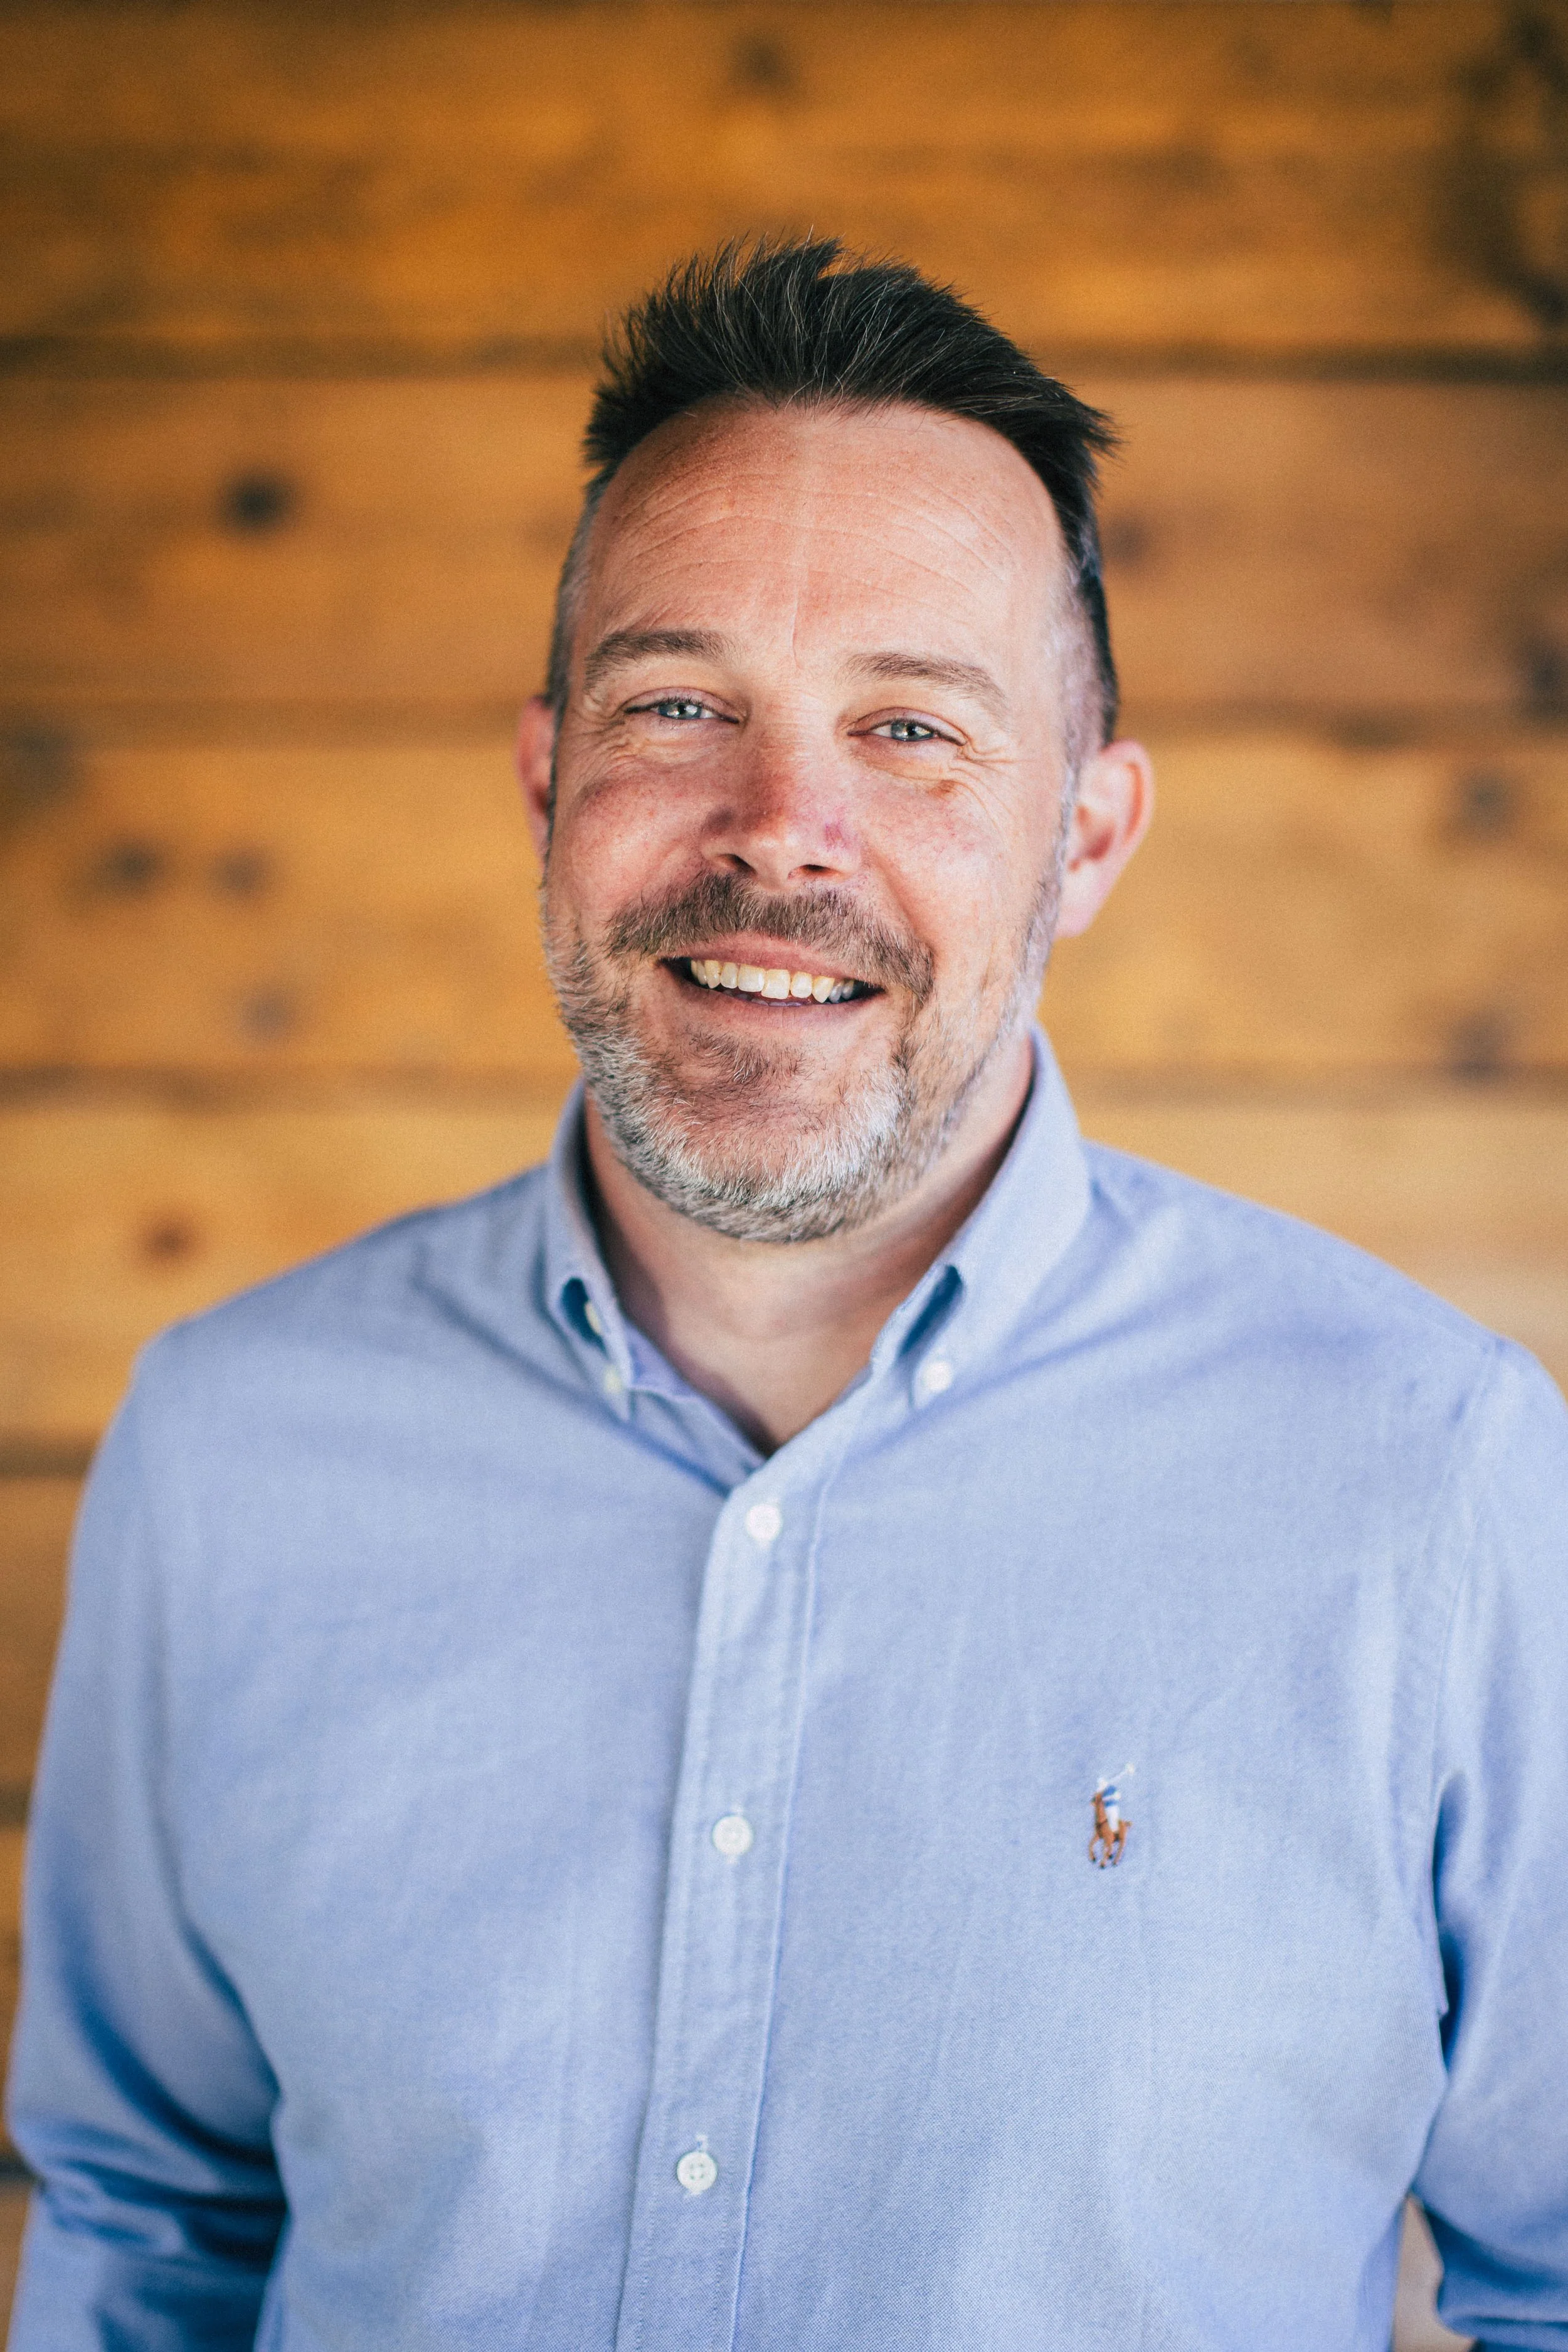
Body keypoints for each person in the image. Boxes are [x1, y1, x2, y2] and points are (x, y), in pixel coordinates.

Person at [8, 238, 1566, 2352]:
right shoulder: (231, 1446)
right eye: (678, 704)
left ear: (1086, 837)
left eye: (911, 728)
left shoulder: (1441, 1482)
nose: (781, 830)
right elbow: (152, 2225)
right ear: (551, 779)